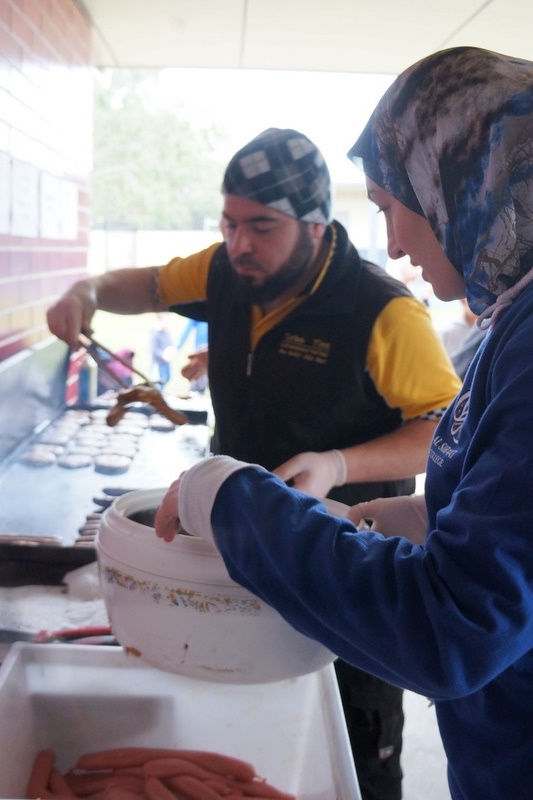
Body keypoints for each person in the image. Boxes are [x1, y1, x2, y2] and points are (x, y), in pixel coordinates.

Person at [148, 50, 533, 799]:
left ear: (462, 180)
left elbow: (451, 630)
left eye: (394, 204)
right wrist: (422, 515)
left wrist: (229, 500)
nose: (391, 240)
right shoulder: (508, 323)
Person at [46, 127, 461, 800]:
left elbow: (444, 427)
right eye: (228, 223)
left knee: (353, 746)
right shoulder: (224, 271)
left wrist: (337, 462)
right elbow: (145, 285)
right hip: (232, 551)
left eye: (261, 226)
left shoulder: (382, 311)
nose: (239, 243)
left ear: (316, 224)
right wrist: (88, 291)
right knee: (237, 712)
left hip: (345, 563)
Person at [176, 318, 209, 393]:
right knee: (197, 381)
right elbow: (187, 329)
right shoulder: (197, 315)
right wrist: (177, 346)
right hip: (201, 353)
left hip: (216, 353)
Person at [150, 312, 174, 387]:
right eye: (165, 321)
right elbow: (154, 350)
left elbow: (170, 344)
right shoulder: (155, 334)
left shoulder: (167, 333)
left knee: (167, 378)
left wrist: (171, 351)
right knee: (159, 381)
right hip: (158, 363)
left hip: (167, 362)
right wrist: (163, 355)